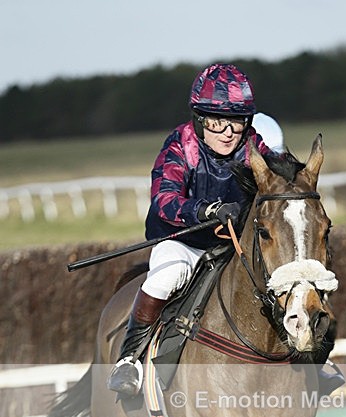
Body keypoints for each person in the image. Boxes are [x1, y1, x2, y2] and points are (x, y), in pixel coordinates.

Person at [107, 63, 274, 396]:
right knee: (167, 275)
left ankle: (311, 357)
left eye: (237, 121)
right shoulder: (180, 145)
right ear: (200, 120)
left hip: (233, 245)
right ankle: (129, 360)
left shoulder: (254, 145)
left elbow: (281, 177)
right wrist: (205, 210)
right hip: (183, 241)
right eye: (216, 121)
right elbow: (164, 200)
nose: (228, 132)